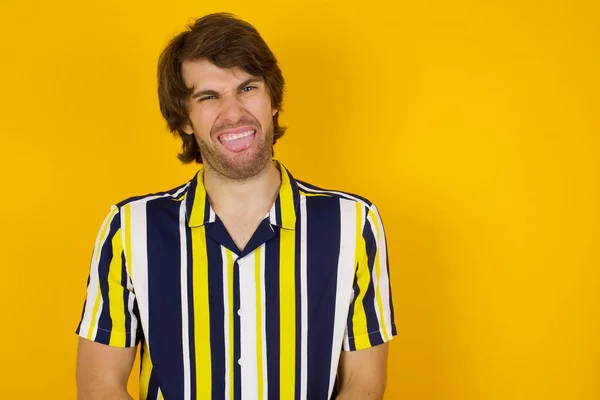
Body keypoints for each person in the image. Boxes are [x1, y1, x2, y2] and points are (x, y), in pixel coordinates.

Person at [75, 12, 396, 400]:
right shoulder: (129, 228)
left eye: (247, 88)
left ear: (273, 99)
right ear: (185, 119)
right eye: (208, 96)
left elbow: (364, 383)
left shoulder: (353, 223)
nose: (233, 113)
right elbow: (99, 385)